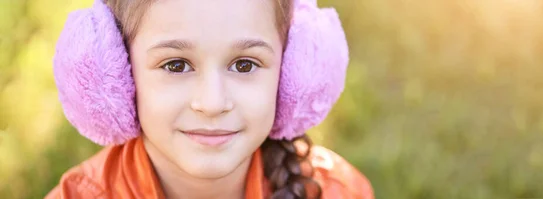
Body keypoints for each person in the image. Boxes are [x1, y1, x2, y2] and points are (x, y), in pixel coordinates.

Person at [47, 0, 373, 198]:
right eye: (176, 65)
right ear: (117, 74)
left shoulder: (339, 192)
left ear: (291, 70)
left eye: (244, 64)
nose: (213, 103)